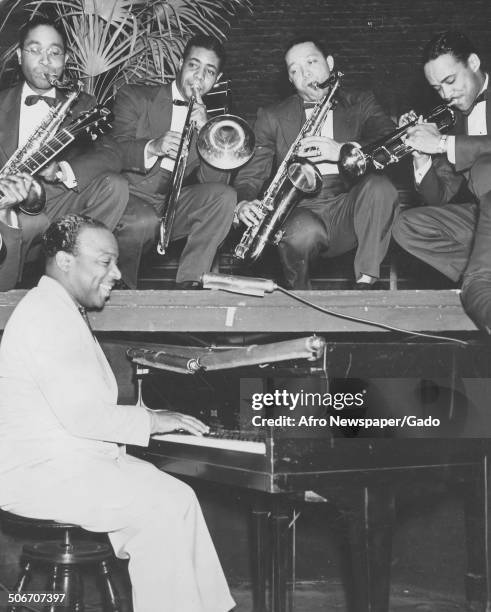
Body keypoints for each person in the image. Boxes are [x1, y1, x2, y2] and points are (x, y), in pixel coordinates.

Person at [0, 214, 235, 612]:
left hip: (68, 464)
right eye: (104, 262)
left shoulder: (60, 309)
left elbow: (82, 409)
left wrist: (151, 417)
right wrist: (155, 421)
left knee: (179, 496)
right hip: (38, 475)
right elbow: (84, 417)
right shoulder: (46, 315)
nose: (117, 272)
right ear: (64, 261)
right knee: (160, 509)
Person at [233, 35, 399, 290]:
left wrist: (343, 151)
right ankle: (301, 302)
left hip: (350, 205)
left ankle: (366, 285)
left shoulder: (361, 102)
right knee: (301, 232)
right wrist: (243, 201)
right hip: (301, 210)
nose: (305, 74)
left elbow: (388, 137)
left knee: (381, 187)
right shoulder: (272, 116)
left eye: (311, 62)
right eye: (295, 70)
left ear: (330, 63)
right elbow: (250, 175)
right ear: (290, 79)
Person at [111, 34, 237, 289]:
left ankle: (190, 284)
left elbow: (215, 182)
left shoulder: (214, 128)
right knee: (142, 220)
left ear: (218, 79)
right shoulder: (135, 96)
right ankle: (120, 293)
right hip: (128, 195)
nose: (199, 77)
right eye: (193, 65)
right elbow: (113, 151)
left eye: (209, 71)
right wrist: (153, 146)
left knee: (224, 196)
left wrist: (206, 133)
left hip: (170, 202)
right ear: (180, 63)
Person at [391, 31, 491, 329]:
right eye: (437, 88)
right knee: (406, 226)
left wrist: (443, 144)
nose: (446, 95)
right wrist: (420, 154)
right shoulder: (453, 116)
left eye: (450, 81)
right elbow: (440, 197)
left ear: (473, 63)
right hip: (480, 218)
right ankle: (479, 278)